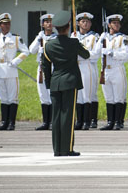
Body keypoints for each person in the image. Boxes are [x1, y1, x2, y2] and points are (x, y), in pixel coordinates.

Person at [41, 11, 88, 157]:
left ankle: (57, 149)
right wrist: (77, 40)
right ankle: (67, 148)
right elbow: (86, 55)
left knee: (55, 117)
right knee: (67, 116)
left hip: (55, 82)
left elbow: (46, 67)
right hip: (70, 82)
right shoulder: (73, 43)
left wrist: (49, 84)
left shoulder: (48, 45)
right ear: (68, 27)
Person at [0, 13, 29, 130]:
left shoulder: (15, 38)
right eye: (4, 24)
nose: (7, 26)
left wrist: (16, 61)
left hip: (11, 70)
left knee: (12, 98)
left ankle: (11, 123)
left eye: (8, 23)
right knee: (3, 98)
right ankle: (4, 122)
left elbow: (26, 51)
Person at [95, 13, 128, 130]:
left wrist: (112, 53)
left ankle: (118, 122)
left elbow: (126, 55)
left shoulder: (123, 38)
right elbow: (95, 52)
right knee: (108, 97)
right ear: (108, 25)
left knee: (119, 97)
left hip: (117, 68)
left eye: (118, 23)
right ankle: (110, 122)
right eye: (114, 23)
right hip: (105, 70)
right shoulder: (103, 37)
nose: (117, 25)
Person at [29, 13, 57, 130]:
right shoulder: (40, 37)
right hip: (41, 69)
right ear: (42, 24)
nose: (49, 24)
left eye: (50, 21)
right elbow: (31, 50)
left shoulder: (56, 37)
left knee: (52, 95)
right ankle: (45, 122)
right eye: (46, 22)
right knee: (43, 95)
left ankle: (52, 122)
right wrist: (38, 39)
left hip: (53, 68)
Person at [72, 12, 100, 129]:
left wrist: (83, 55)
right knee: (78, 95)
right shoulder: (74, 36)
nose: (86, 24)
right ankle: (79, 121)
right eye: (83, 21)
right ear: (78, 23)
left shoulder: (94, 37)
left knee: (87, 93)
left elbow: (95, 54)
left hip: (87, 65)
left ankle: (87, 121)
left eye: (88, 21)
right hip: (76, 66)